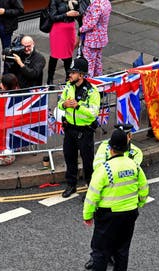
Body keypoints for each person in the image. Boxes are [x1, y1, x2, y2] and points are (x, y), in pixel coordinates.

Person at [75, 129, 149, 271]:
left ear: (110, 148)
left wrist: (87, 215)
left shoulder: (105, 169)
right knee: (122, 250)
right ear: (127, 147)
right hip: (130, 213)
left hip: (108, 215)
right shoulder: (134, 166)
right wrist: (139, 203)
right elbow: (144, 189)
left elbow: (92, 195)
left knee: (101, 250)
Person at [84, 123, 143, 270]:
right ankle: (96, 258)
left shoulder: (136, 152)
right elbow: (97, 165)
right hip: (106, 199)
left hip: (123, 202)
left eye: (128, 135)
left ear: (130, 136)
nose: (127, 137)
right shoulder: (104, 146)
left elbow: (136, 178)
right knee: (100, 238)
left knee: (116, 240)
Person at [58, 56, 99, 198]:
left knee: (87, 161)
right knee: (69, 158)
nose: (70, 75)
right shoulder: (68, 87)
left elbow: (93, 113)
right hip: (69, 129)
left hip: (84, 132)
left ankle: (90, 188)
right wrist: (64, 105)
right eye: (70, 72)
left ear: (81, 75)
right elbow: (60, 103)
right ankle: (71, 185)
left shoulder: (92, 92)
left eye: (73, 72)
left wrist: (78, 106)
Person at [46, 0, 82, 85]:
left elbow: (79, 14)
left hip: (69, 30)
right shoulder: (55, 1)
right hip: (58, 29)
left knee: (68, 55)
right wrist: (66, 14)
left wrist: (75, 5)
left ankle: (68, 77)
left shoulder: (73, 1)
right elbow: (52, 17)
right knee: (54, 55)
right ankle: (50, 79)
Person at [0, 0, 23, 82]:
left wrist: (5, 11)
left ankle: (6, 77)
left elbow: (20, 10)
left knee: (7, 52)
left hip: (6, 26)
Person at [79, 0, 111, 77]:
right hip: (101, 38)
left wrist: (80, 29)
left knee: (88, 63)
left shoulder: (96, 5)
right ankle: (98, 80)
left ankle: (88, 83)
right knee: (97, 62)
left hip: (92, 39)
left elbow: (91, 24)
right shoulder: (106, 2)